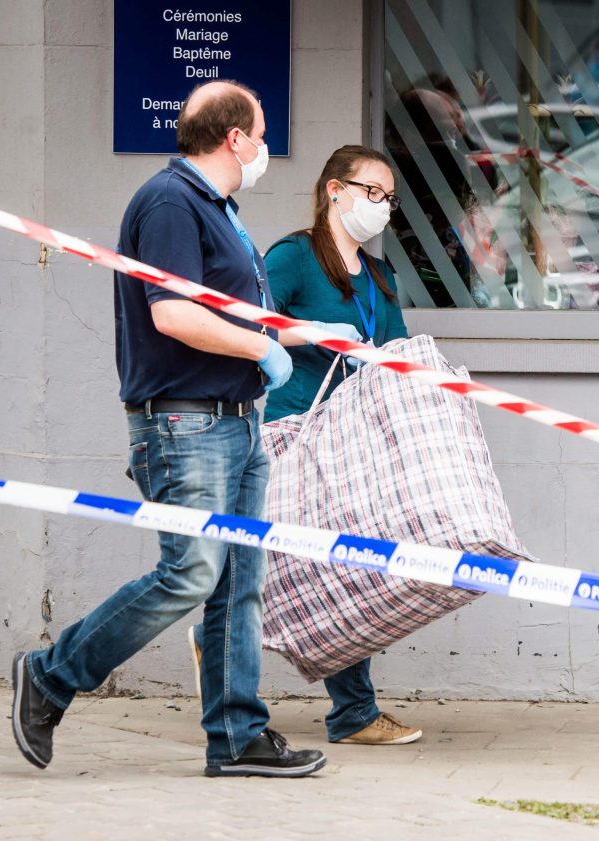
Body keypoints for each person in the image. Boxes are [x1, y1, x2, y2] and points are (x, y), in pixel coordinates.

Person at [11, 80, 336, 778]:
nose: (265, 146)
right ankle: (49, 675)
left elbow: (238, 315)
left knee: (236, 584)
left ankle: (238, 735)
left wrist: (303, 335)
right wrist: (262, 351)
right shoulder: (169, 204)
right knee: (189, 574)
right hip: (185, 424)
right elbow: (175, 315)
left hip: (237, 422)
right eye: (261, 132)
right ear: (234, 139)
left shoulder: (219, 210)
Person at [189, 144, 422, 747]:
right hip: (297, 436)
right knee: (299, 563)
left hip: (357, 439)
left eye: (389, 197)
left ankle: (351, 711)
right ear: (334, 191)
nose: (382, 206)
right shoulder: (294, 257)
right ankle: (347, 709)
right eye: (372, 191)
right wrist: (317, 333)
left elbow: (393, 354)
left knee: (349, 569)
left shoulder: (380, 275)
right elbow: (251, 322)